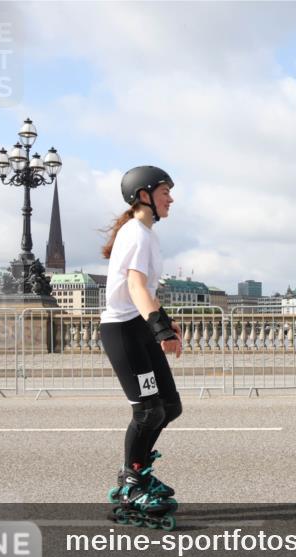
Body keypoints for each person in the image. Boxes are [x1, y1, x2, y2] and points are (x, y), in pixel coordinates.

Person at [100, 165, 183, 530]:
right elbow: (134, 289)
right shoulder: (136, 233)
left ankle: (140, 473)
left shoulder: (144, 233)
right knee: (149, 412)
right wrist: (161, 329)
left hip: (137, 328)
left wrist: (164, 319)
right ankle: (131, 484)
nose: (171, 198)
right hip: (124, 332)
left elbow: (144, 292)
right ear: (144, 195)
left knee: (169, 406)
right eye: (165, 191)